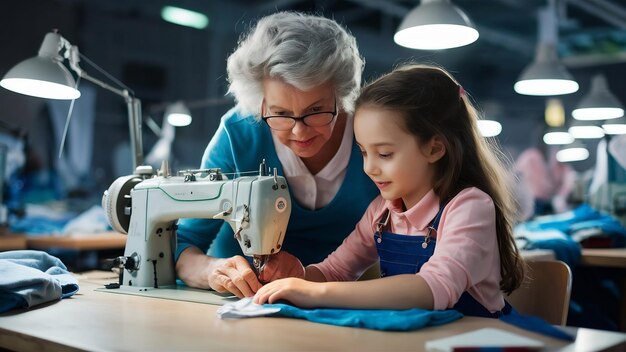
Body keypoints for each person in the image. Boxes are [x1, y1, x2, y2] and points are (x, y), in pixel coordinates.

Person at [254, 64, 526, 317]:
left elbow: (432, 288)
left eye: (384, 154)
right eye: (363, 152)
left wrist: (317, 292)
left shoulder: (469, 207)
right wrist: (295, 280)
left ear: (434, 148)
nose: (369, 168)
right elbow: (335, 270)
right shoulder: (382, 212)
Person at [174, 12, 379, 298]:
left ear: (342, 94)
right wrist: (212, 271)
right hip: (241, 300)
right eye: (281, 113)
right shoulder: (239, 135)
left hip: (335, 301)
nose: (299, 132)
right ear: (258, 101)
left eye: (316, 111)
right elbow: (182, 242)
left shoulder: (373, 136)